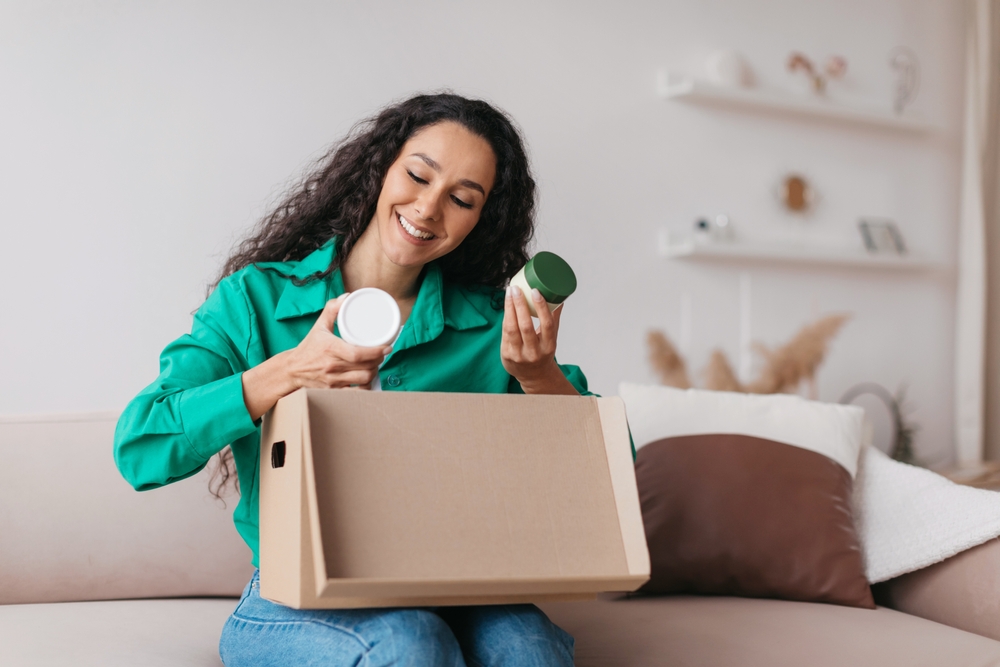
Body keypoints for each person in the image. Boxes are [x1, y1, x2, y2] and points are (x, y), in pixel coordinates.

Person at [114, 92, 588, 666]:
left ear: (480, 220)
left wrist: (539, 378)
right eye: (417, 175)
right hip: (297, 592)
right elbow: (140, 446)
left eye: (461, 199)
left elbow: (611, 469)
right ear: (381, 167)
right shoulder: (255, 299)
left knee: (529, 649)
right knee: (409, 643)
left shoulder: (491, 327)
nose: (429, 208)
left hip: (464, 587)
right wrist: (284, 373)